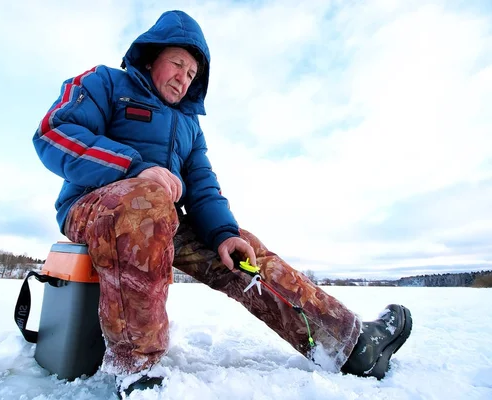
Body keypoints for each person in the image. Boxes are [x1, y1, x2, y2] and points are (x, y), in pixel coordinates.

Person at [33, 10, 412, 396]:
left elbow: (202, 185)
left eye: (192, 74)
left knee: (243, 250)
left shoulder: (189, 126)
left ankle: (348, 343)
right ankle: (135, 368)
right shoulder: (105, 83)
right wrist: (134, 168)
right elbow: (54, 132)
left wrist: (223, 233)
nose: (183, 78)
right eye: (177, 65)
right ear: (151, 58)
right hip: (95, 208)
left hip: (162, 219)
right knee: (146, 202)